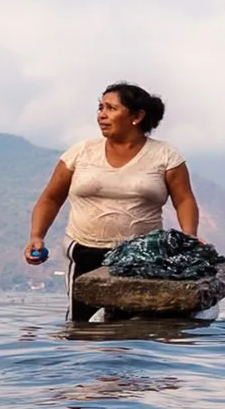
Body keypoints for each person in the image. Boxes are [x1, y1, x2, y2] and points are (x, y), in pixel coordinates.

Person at [25, 83, 200, 320]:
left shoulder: (165, 156)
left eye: (111, 108)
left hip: (141, 256)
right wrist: (37, 236)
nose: (101, 115)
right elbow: (51, 198)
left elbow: (184, 199)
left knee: (135, 326)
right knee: (82, 325)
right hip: (84, 250)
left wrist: (189, 235)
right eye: (100, 108)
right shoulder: (81, 152)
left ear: (136, 116)